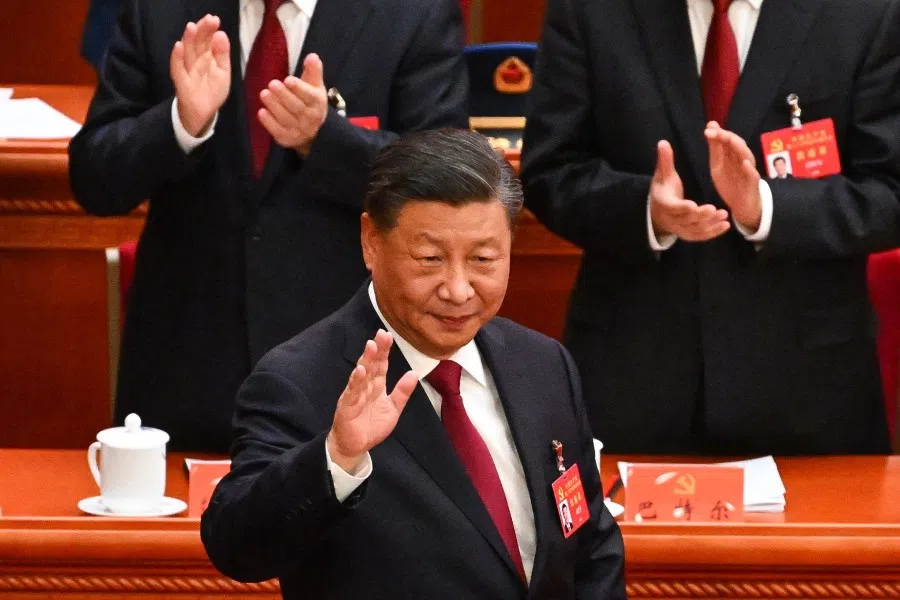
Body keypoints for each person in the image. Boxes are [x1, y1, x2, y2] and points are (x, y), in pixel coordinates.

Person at [200, 130, 626, 599]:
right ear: (371, 241)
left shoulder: (543, 364)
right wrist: (336, 458)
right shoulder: (299, 380)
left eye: (483, 259)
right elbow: (235, 547)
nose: (458, 289)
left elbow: (590, 544)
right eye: (430, 258)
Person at [68, 0, 468, 451]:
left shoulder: (414, 13)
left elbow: (447, 183)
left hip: (345, 378)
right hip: (185, 374)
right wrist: (180, 124)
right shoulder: (158, 9)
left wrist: (327, 139)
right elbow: (94, 178)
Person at [521, 0, 900, 455]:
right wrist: (647, 210)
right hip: (633, 382)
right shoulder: (591, 10)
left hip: (808, 393)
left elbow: (889, 190)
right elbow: (550, 171)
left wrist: (766, 208)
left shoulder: (867, 11)